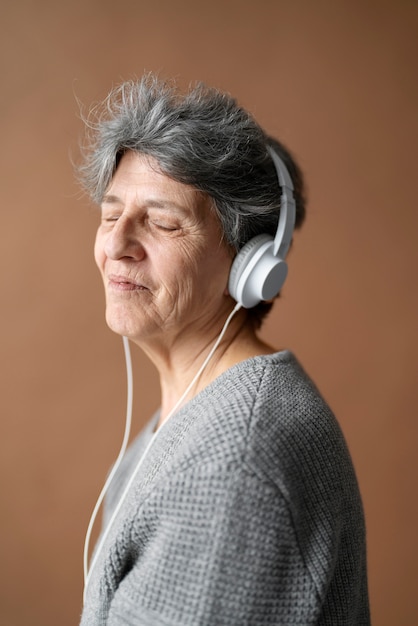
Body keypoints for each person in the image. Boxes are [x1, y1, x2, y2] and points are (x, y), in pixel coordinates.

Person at [77, 74, 370, 625]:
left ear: (248, 265)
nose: (116, 244)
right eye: (111, 214)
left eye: (162, 222)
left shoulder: (232, 463)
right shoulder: (195, 412)